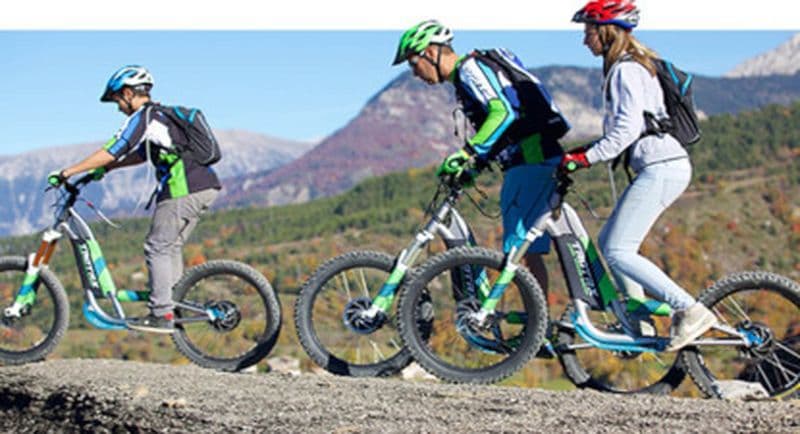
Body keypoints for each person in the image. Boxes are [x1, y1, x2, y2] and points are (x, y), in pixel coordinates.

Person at [563, 0, 716, 350]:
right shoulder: (630, 67)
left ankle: (691, 310)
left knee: (618, 249)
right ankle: (639, 319)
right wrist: (582, 154)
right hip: (660, 166)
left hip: (663, 168)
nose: (585, 39)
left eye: (588, 31)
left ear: (606, 31)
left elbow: (626, 132)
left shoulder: (626, 70)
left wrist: (583, 159)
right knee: (609, 244)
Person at [392, 20, 570, 302]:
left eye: (413, 63)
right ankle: (540, 325)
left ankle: (537, 328)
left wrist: (468, 153)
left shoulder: (469, 69)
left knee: (520, 250)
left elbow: (502, 113)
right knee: (528, 251)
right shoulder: (465, 78)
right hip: (530, 158)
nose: (414, 73)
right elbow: (501, 127)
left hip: (531, 159)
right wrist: (474, 165)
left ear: (428, 52)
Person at [47, 65, 221, 333]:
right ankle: (172, 305)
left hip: (183, 189)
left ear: (128, 93)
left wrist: (69, 171)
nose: (118, 107)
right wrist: (106, 169)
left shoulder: (144, 117)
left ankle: (161, 313)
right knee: (169, 247)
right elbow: (140, 154)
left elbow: (114, 148)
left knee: (157, 247)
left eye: (117, 99)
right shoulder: (160, 119)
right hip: (204, 186)